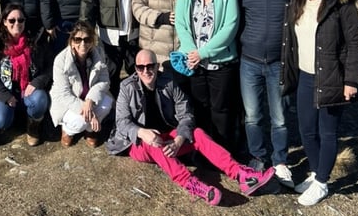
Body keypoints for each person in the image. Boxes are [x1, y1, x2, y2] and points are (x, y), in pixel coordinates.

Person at [106, 49, 275, 206]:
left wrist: (179, 139)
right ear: (135, 68)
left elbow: (186, 114)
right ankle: (192, 184)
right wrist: (142, 133)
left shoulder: (169, 83)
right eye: (140, 67)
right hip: (137, 143)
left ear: (157, 66)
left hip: (168, 136)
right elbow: (122, 122)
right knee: (155, 142)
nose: (145, 71)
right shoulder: (127, 87)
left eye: (150, 66)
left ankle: (241, 174)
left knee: (198, 134)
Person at [281, 0, 358, 206]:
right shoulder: (297, 4)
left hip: (333, 78)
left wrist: (351, 81)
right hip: (305, 76)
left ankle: (322, 183)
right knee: (307, 130)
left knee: (327, 132)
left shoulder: (341, 6)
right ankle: (317, 173)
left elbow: (355, 45)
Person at [238, 0, 295, 187]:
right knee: (252, 116)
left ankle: (280, 161)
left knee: (280, 117)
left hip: (278, 63)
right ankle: (258, 157)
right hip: (249, 62)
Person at [174, 0, 240, 152]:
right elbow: (181, 25)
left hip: (220, 64)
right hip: (194, 63)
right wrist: (192, 52)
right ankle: (203, 151)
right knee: (200, 109)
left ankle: (222, 151)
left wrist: (204, 52)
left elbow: (230, 26)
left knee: (221, 110)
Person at [0, 3, 53, 148]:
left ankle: (32, 125)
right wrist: (4, 95)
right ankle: (14, 116)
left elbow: (50, 66)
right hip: (4, 91)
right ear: (4, 22)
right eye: (12, 20)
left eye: (21, 20)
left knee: (41, 100)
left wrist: (37, 82)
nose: (17, 23)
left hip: (28, 91)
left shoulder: (35, 40)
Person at [49, 20, 114, 148]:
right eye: (78, 39)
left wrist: (90, 100)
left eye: (87, 39)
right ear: (72, 41)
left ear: (92, 41)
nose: (83, 43)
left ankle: (89, 130)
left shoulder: (99, 53)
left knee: (107, 103)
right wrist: (91, 114)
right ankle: (67, 130)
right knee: (80, 121)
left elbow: (104, 81)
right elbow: (64, 94)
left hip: (88, 98)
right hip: (68, 104)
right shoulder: (61, 61)